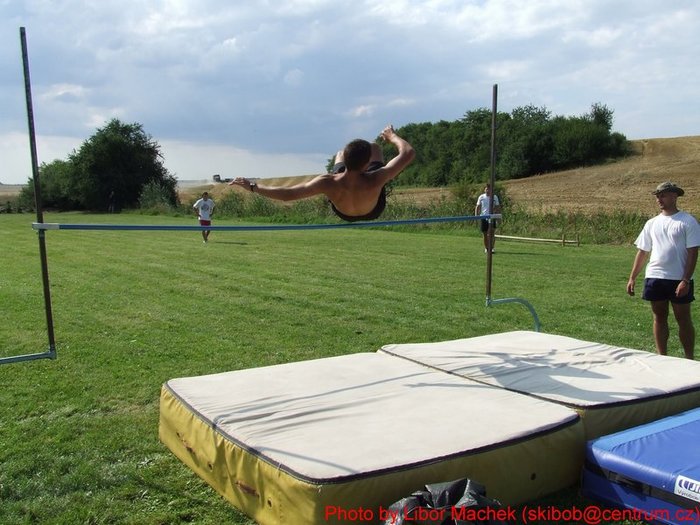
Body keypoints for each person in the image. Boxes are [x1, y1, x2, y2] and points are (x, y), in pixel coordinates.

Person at [228, 125, 415, 222]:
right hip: (374, 210)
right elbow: (408, 152)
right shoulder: (377, 177)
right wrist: (391, 136)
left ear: (347, 162)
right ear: (367, 165)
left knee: (340, 152)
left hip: (344, 213)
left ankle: (347, 156)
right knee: (374, 147)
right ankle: (362, 153)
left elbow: (288, 194)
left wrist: (252, 187)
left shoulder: (327, 182)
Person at [627, 182, 700, 359]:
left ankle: (689, 359)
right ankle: (662, 357)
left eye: (663, 195)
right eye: (658, 196)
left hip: (678, 278)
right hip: (655, 277)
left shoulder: (687, 221)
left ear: (674, 196)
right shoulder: (651, 223)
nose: (659, 199)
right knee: (659, 317)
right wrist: (632, 277)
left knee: (683, 319)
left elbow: (693, 252)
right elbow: (643, 252)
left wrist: (685, 280)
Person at [474, 184, 501, 253]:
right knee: (485, 234)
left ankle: (492, 248)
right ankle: (486, 248)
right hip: (483, 217)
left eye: (489, 189)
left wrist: (498, 217)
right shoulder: (481, 197)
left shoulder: (494, 197)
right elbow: (478, 207)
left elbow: (498, 207)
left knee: (491, 233)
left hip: (492, 217)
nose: (488, 191)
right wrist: (476, 216)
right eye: (486, 189)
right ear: (484, 190)